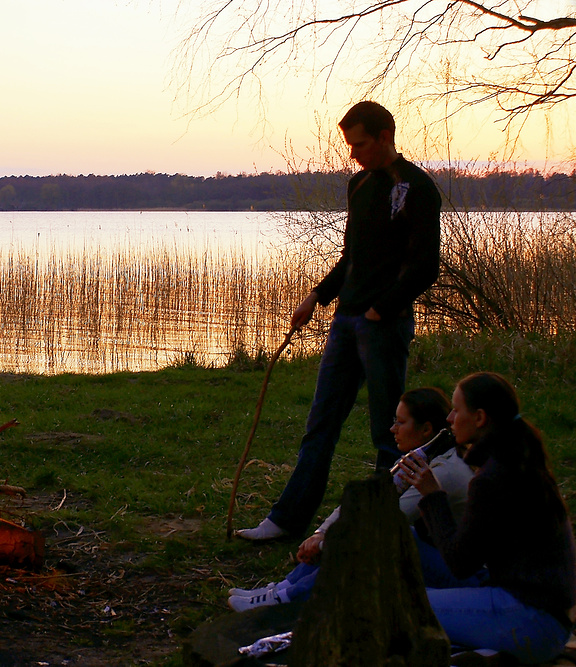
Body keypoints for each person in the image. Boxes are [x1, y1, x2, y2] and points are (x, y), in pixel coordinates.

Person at [239, 100, 442, 541]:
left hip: (382, 325)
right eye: (349, 145)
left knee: (388, 432)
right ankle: (286, 521)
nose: (353, 153)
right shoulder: (359, 184)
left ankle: (383, 525)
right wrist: (316, 294)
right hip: (345, 322)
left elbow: (426, 267)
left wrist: (380, 309)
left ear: (386, 136)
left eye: (360, 143)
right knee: (321, 424)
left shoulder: (418, 187)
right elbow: (352, 257)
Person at [228, 387, 475, 611]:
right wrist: (321, 533)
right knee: (350, 531)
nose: (392, 430)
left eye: (400, 422)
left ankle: (290, 599)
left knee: (370, 538)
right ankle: (283, 589)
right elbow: (366, 500)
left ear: (426, 430)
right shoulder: (423, 457)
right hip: (437, 552)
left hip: (462, 576)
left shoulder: (443, 471)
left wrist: (327, 543)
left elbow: (378, 520)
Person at [400, 372, 576, 663]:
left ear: (479, 418)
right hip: (542, 614)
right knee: (406, 545)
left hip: (530, 619)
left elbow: (459, 562)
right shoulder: (517, 458)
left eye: (456, 410)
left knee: (400, 605)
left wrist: (432, 495)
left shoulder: (495, 476)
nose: (450, 419)